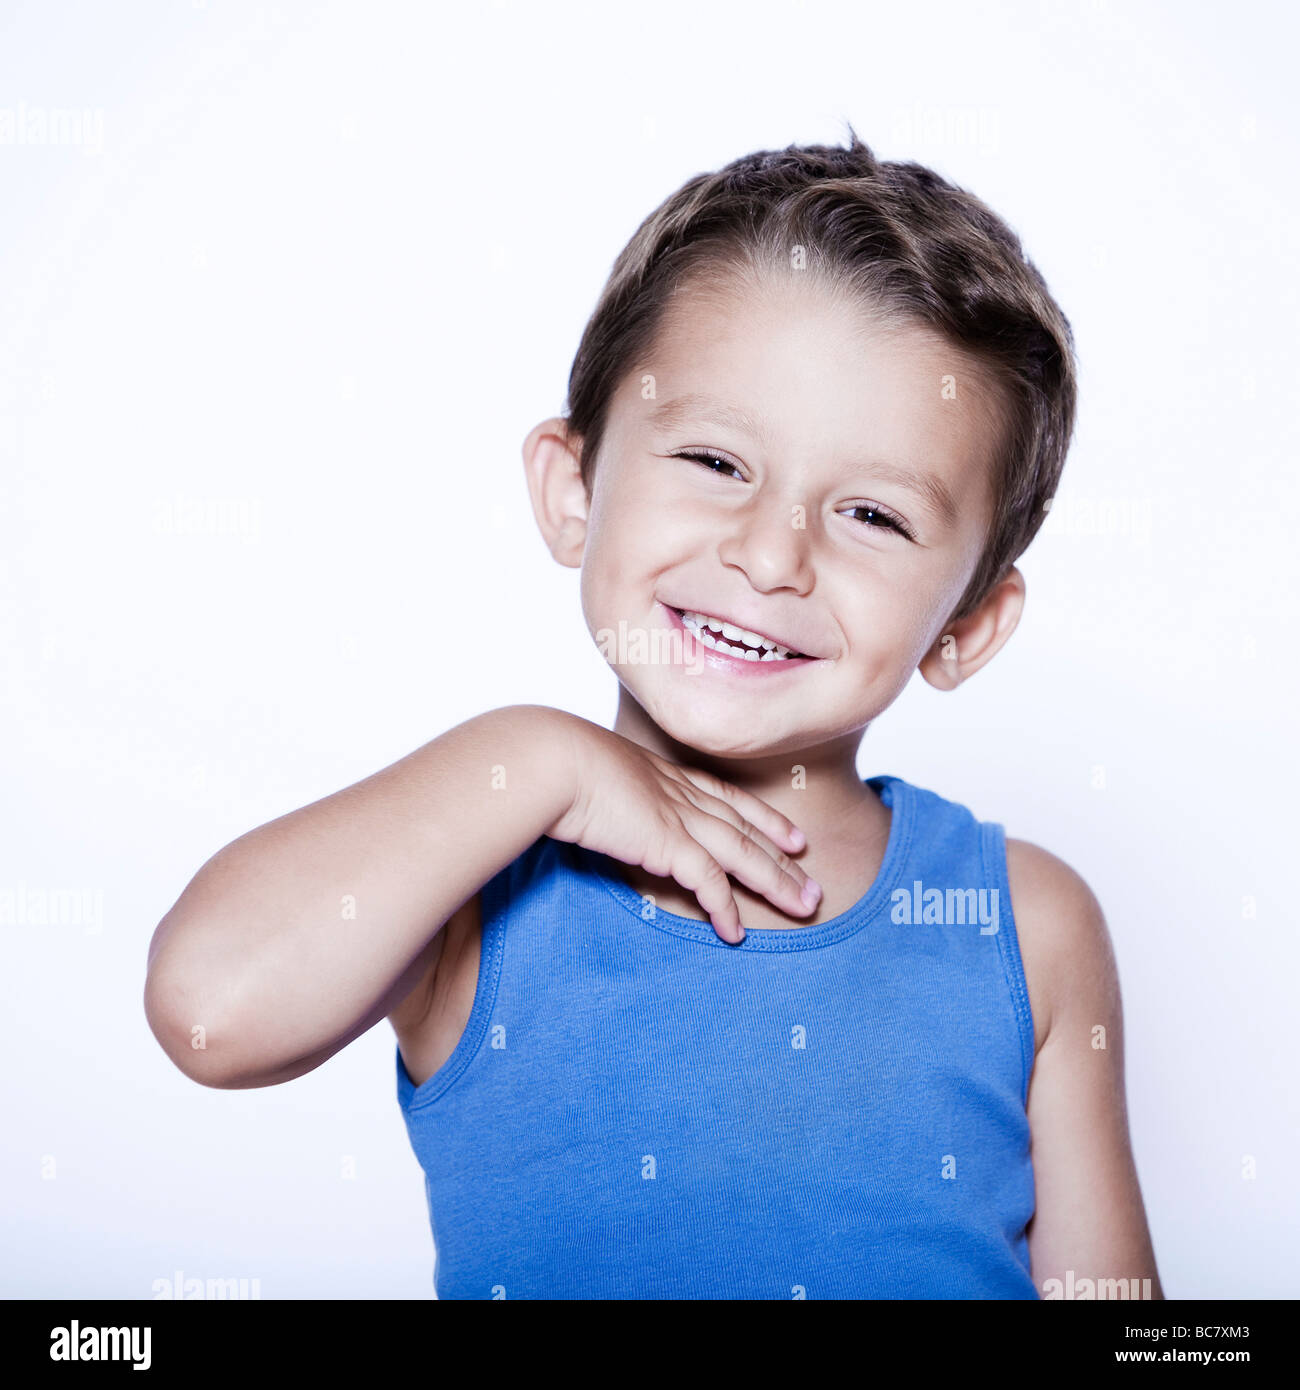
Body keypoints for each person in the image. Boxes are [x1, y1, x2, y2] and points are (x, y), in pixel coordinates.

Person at [145, 132, 1163, 1300]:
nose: (771, 553)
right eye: (716, 460)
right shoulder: (477, 884)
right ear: (573, 491)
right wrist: (537, 761)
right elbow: (208, 1012)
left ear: (967, 625)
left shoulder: (1023, 923)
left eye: (872, 516)